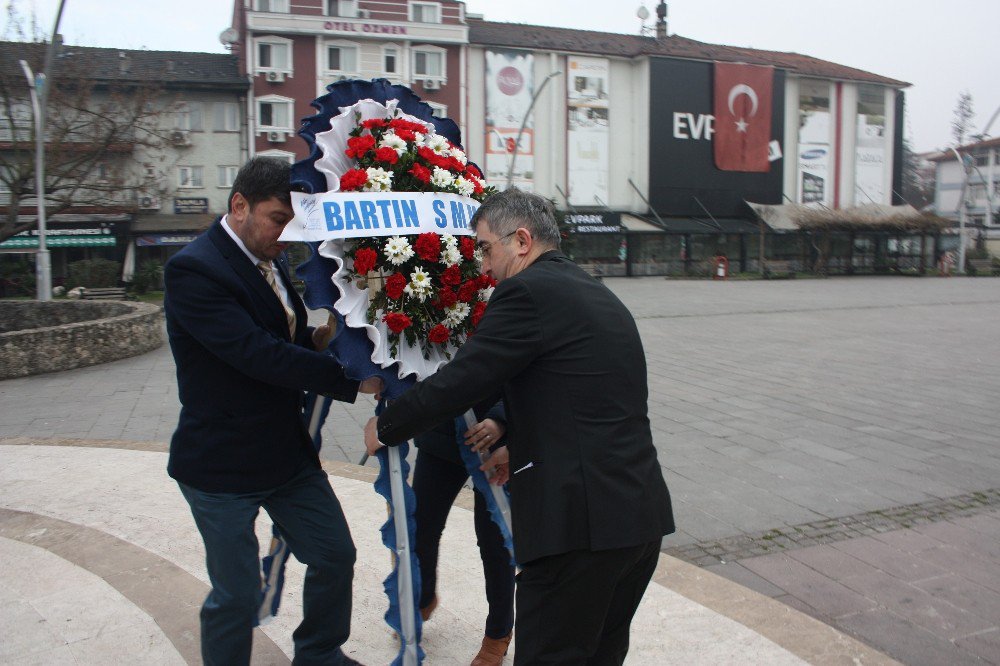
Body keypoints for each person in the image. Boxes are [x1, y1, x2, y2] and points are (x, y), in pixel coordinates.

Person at [364, 188, 674, 664]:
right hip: (637, 518)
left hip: (578, 529)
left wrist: (387, 426)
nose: (484, 266)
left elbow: (462, 380)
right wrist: (518, 441)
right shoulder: (591, 290)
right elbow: (585, 398)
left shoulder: (527, 291)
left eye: (486, 248)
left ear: (522, 240)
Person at [164, 157, 380, 666]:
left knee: (334, 556)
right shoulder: (194, 268)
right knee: (236, 593)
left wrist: (326, 342)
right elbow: (254, 353)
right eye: (278, 218)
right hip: (221, 465)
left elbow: (282, 336)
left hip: (285, 456)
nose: (286, 233)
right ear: (239, 205)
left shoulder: (270, 258)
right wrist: (349, 378)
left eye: (293, 222)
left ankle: (319, 652)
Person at [413, 403, 515, 666]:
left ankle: (498, 633)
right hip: (444, 424)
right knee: (421, 525)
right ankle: (423, 597)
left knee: (495, 544)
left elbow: (539, 370)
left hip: (499, 440)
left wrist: (502, 420)